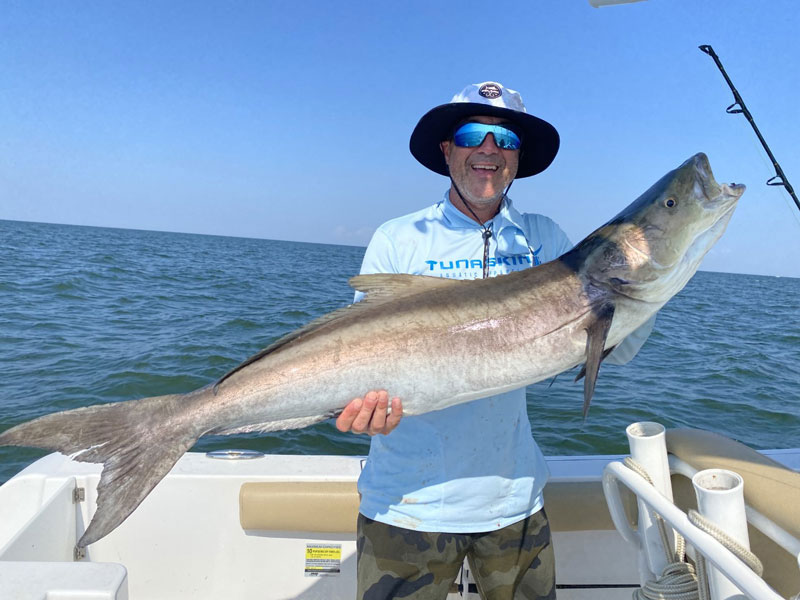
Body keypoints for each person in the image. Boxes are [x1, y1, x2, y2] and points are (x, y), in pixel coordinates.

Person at [336, 81, 654, 600]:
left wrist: (653, 285)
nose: (489, 149)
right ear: (448, 149)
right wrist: (357, 405)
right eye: (472, 134)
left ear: (518, 158)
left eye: (504, 140)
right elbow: (360, 360)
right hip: (404, 503)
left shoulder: (545, 239)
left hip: (513, 502)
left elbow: (619, 348)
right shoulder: (399, 237)